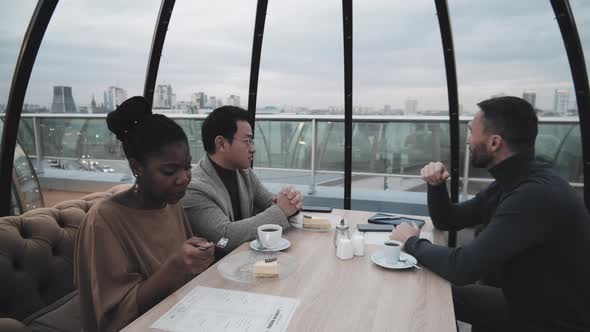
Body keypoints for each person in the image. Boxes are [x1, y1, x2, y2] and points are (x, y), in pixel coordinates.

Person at [389, 96, 590, 331]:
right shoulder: (514, 181)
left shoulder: (534, 195)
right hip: (527, 302)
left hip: (548, 321)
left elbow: (463, 268)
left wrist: (412, 243)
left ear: (494, 142)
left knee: (432, 291)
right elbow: (448, 219)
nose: (468, 140)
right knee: (433, 288)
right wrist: (435, 186)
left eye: (472, 132)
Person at [74, 96, 215, 332]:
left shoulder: (170, 203)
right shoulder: (104, 220)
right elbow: (117, 316)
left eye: (187, 166)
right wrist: (177, 265)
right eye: (170, 171)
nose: (184, 178)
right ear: (136, 167)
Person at [182, 106, 302, 255]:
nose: (253, 149)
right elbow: (225, 237)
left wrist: (290, 201)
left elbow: (270, 203)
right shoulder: (195, 188)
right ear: (221, 144)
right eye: (247, 141)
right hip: (216, 271)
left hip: (246, 261)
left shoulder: (243, 172)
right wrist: (281, 210)